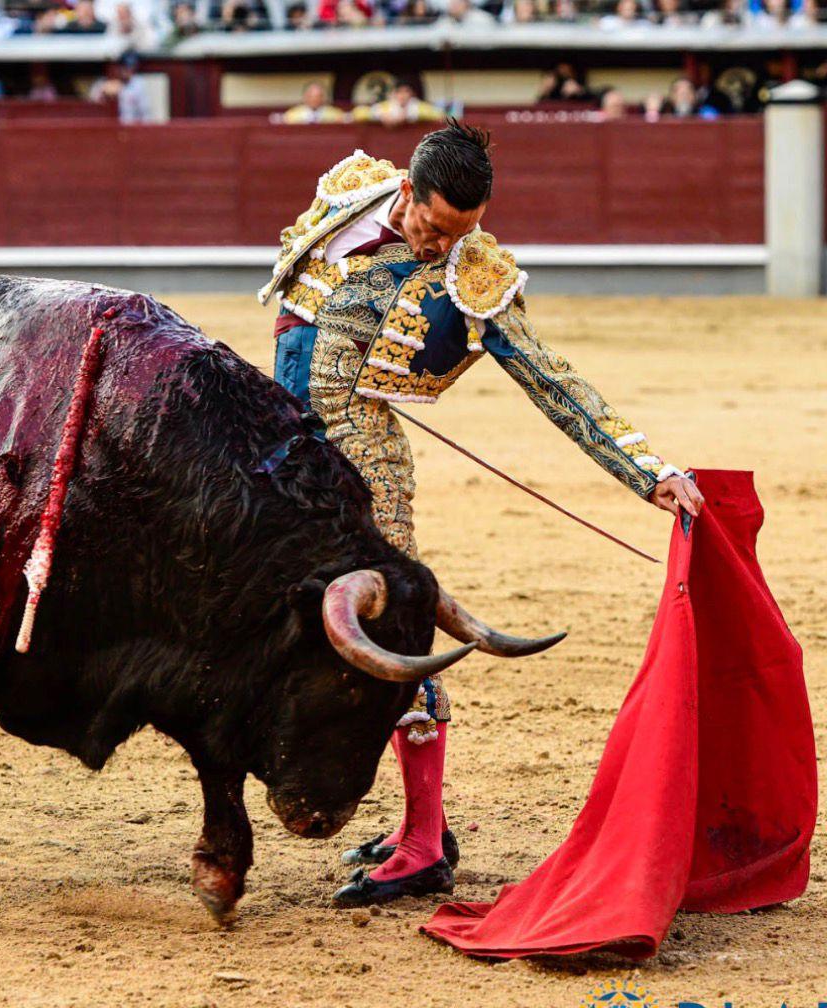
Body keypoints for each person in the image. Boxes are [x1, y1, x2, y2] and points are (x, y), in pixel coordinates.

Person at [258, 126, 703, 906]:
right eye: (433, 228)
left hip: (363, 461)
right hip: (287, 449)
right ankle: (414, 823)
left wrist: (649, 471)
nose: (441, 247)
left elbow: (551, 378)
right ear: (407, 192)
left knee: (395, 631)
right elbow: (299, 310)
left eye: (459, 232)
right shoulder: (352, 191)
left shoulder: (475, 273)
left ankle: (425, 844)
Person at [88, 52, 152, 123]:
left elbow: (145, 113)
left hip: (130, 126)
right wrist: (104, 96)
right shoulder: (100, 84)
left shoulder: (137, 84)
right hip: (107, 126)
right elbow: (92, 108)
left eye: (130, 68)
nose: (126, 71)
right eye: (124, 67)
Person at [362, 78, 446, 126]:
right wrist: (381, 115)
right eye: (398, 92)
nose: (402, 95)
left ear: (412, 93)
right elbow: (359, 113)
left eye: (406, 91)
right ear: (393, 93)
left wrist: (409, 115)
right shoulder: (386, 107)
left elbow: (440, 115)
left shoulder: (417, 106)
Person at [276, 80, 345, 124]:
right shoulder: (291, 116)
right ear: (304, 97)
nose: (314, 99)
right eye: (311, 96)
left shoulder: (336, 115)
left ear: (324, 98)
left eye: (318, 96)